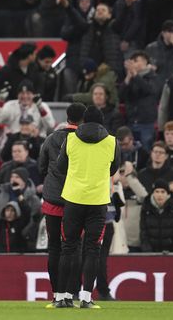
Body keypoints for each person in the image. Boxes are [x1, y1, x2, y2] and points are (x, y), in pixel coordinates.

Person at [53, 105, 120, 309]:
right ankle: (85, 297)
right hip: (98, 201)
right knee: (92, 250)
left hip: (73, 200)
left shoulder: (71, 139)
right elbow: (114, 168)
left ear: (82, 121)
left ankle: (62, 297)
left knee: (68, 248)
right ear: (101, 122)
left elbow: (60, 166)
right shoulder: (111, 142)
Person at [38, 103, 85, 307]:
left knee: (54, 248)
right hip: (75, 201)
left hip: (52, 200)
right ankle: (70, 295)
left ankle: (56, 295)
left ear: (67, 117)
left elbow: (41, 167)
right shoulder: (84, 141)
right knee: (73, 248)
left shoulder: (51, 138)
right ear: (84, 120)